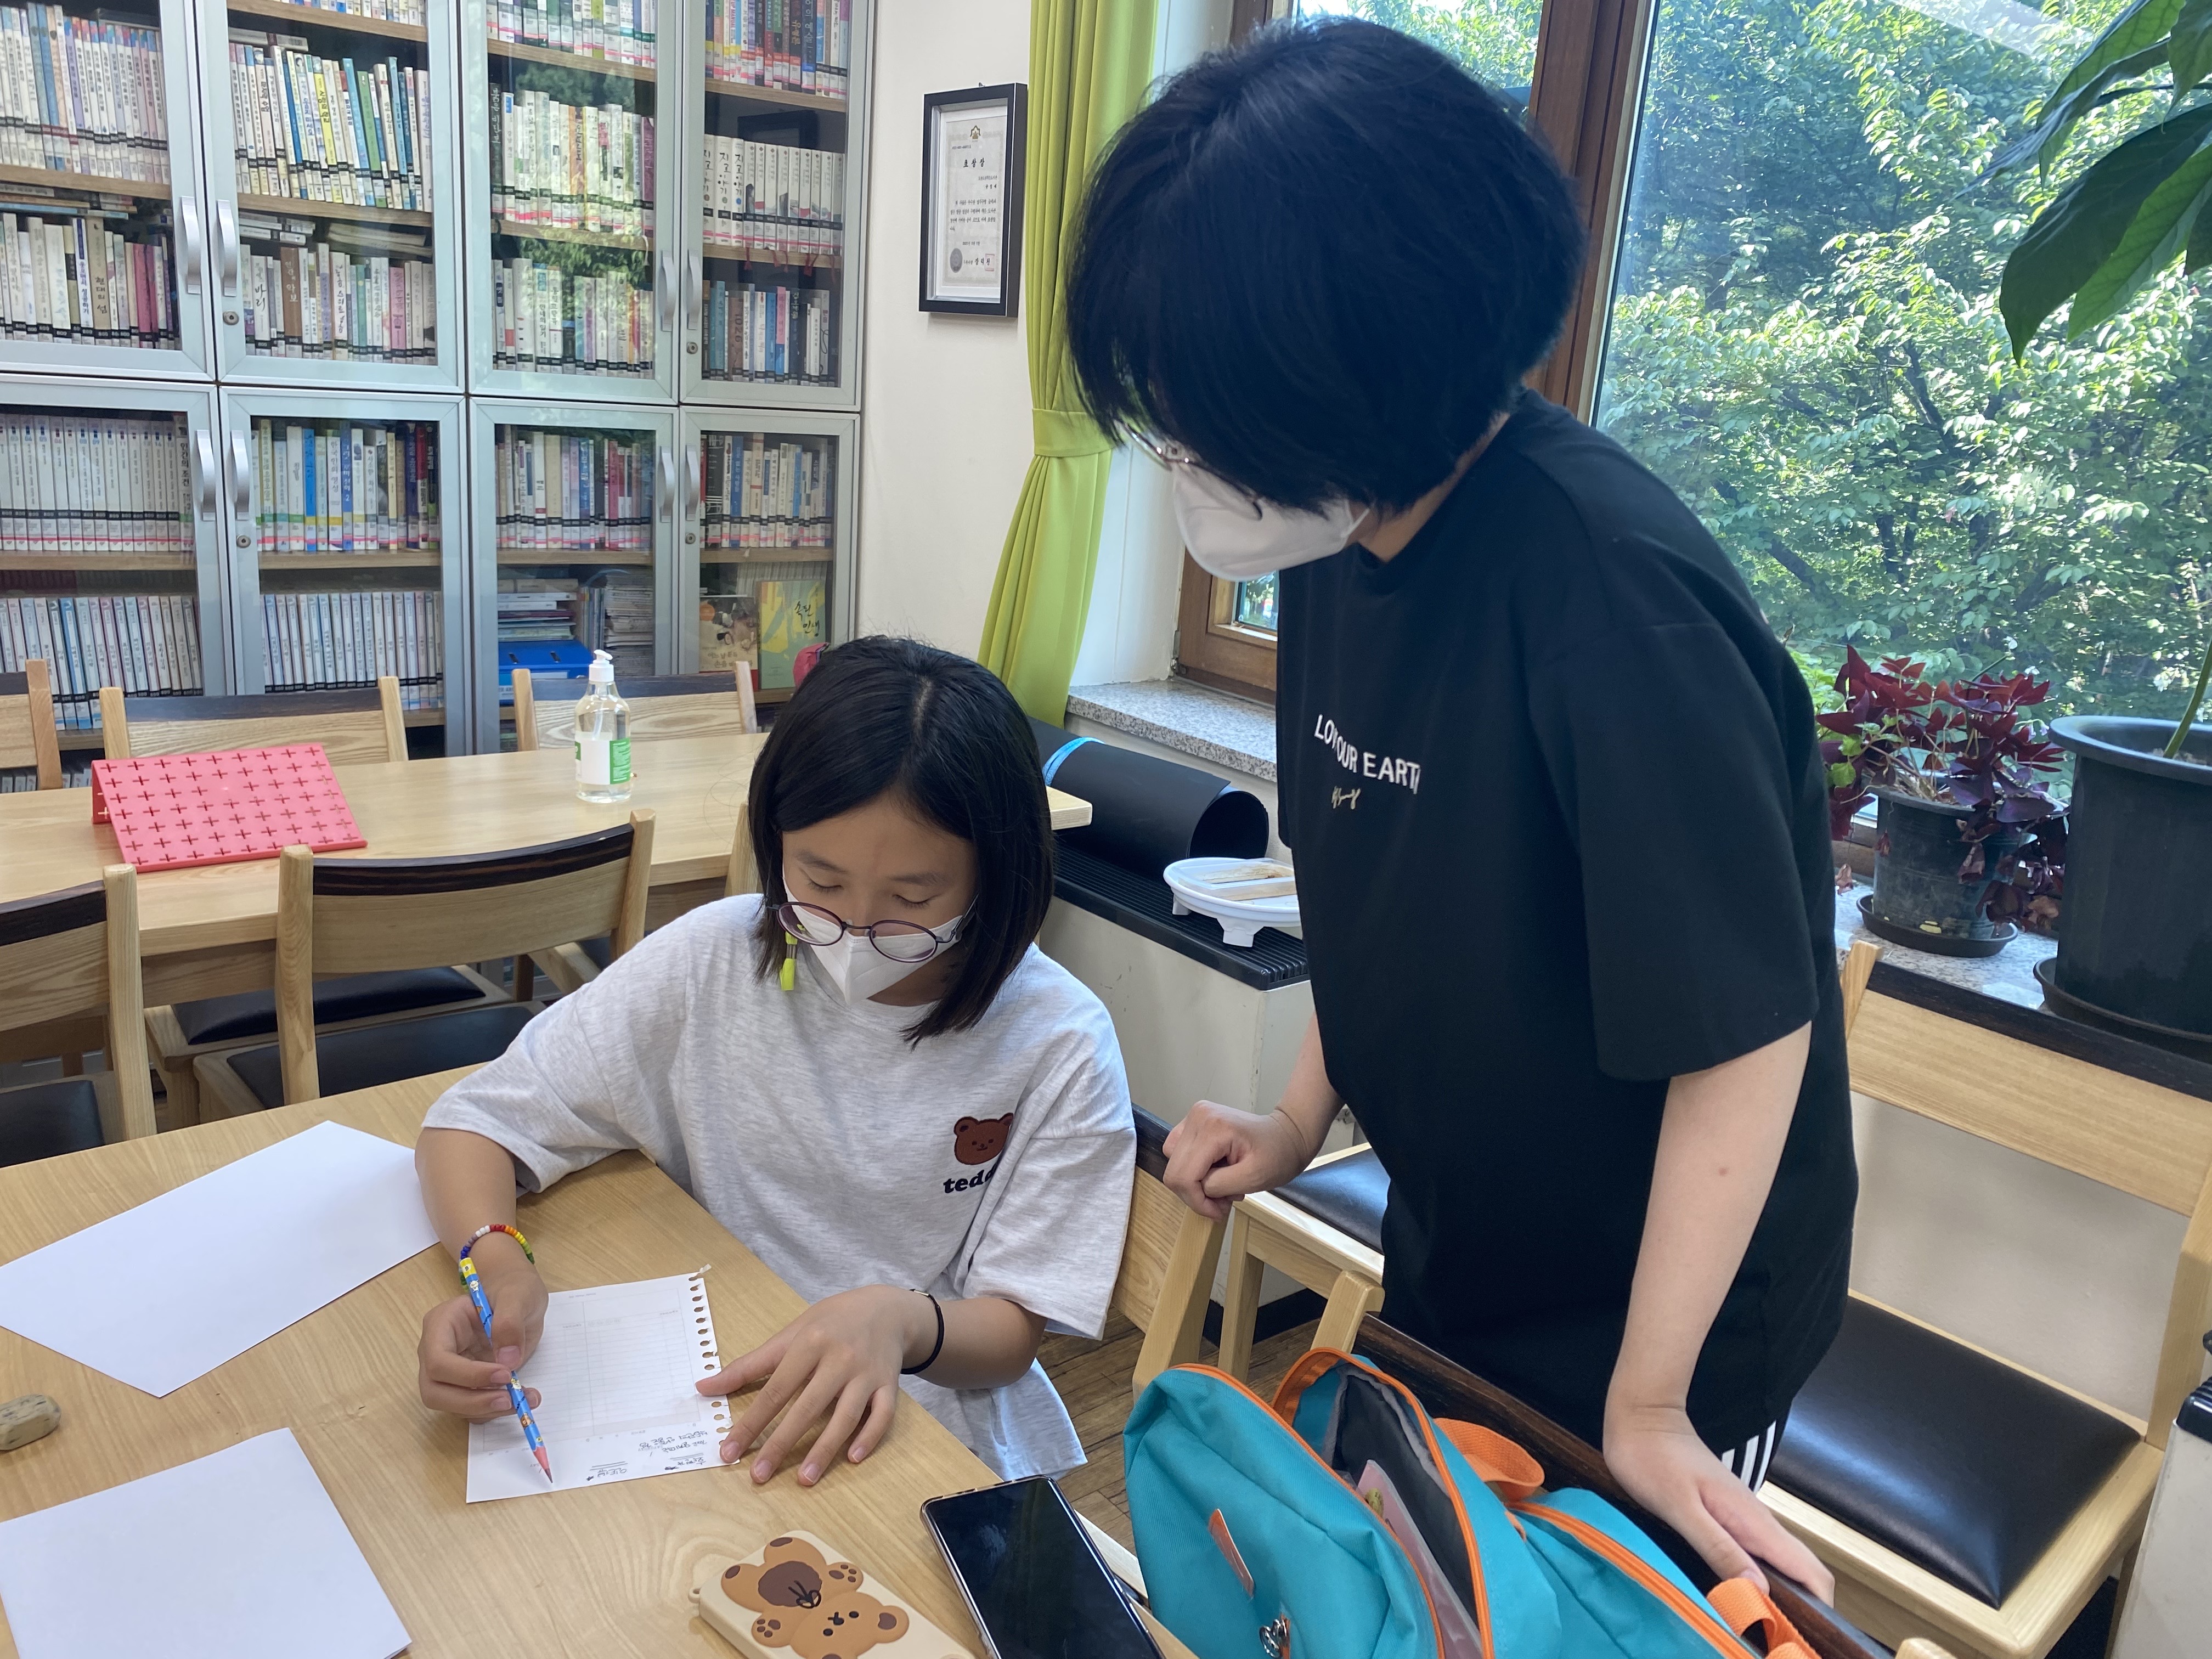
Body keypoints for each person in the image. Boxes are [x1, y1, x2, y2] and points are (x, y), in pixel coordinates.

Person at [1065, 18, 1852, 1596]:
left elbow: (1747, 1032)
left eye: (1208, 408)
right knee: (1434, 1597)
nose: (1184, 454)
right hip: (1463, 1240)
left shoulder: (1616, 603)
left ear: (1357, 372)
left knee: (1596, 1615)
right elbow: (1374, 892)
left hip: (1667, 1318)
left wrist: (1648, 1405)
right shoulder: (1338, 538)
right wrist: (1297, 1123)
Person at [411, 636, 1135, 1485]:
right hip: (715, 1380)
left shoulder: (1057, 1041)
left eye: (912, 898)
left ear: (996, 875)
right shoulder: (711, 960)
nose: (856, 927)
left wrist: (900, 1321)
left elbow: (1013, 1332)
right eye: (819, 882)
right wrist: (499, 1264)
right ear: (774, 838)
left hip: (923, 1418)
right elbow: (473, 1125)